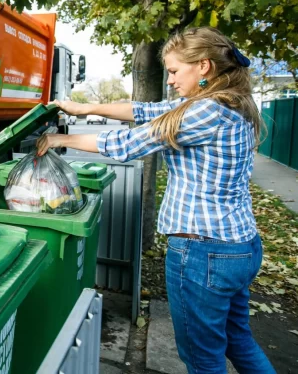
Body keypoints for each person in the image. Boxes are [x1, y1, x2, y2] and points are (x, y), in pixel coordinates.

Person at [37, 27, 275, 374]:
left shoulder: (206, 112)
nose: (171, 79)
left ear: (204, 66)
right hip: (240, 246)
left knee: (202, 358)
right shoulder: (231, 103)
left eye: (176, 71)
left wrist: (63, 139)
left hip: (203, 251)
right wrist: (84, 107)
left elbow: (130, 144)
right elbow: (146, 110)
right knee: (237, 339)